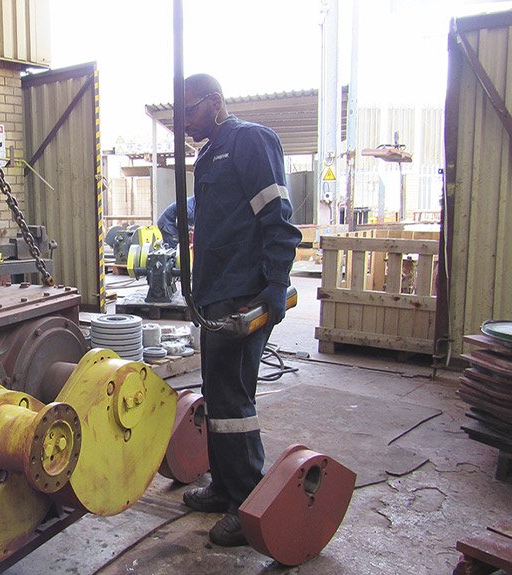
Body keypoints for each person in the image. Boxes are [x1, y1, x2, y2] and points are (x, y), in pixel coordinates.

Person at [179, 74, 302, 547]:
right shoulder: (209, 153)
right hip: (216, 293)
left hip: (244, 294)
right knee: (219, 394)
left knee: (234, 401)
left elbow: (278, 219)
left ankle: (246, 502)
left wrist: (275, 285)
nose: (184, 122)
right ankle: (225, 486)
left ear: (214, 102)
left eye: (190, 111)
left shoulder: (250, 141)